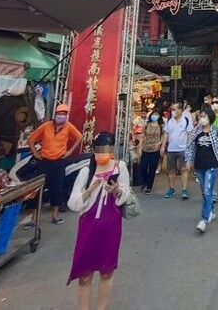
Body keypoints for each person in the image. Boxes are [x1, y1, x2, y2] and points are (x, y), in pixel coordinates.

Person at [67, 132, 131, 310]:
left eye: (106, 150)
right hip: (88, 227)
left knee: (106, 271)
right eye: (99, 150)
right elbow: (73, 202)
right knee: (84, 275)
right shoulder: (86, 171)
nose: (102, 154)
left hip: (111, 226)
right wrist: (89, 190)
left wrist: (116, 190)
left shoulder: (120, 168)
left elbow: (126, 195)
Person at [27, 103, 82, 226]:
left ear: (66, 116)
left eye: (63, 114)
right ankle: (34, 218)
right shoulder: (46, 126)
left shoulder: (68, 127)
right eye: (59, 114)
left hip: (59, 162)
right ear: (55, 114)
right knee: (38, 189)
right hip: (44, 161)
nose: (61, 116)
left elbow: (79, 137)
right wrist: (35, 153)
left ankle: (55, 216)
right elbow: (31, 139)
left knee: (57, 188)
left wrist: (69, 151)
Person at [185, 106, 218, 233]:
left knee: (208, 191)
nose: (202, 119)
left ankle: (203, 219)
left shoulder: (216, 131)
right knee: (204, 191)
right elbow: (191, 146)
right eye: (201, 116)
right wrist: (189, 161)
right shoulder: (196, 131)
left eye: (205, 116)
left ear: (210, 118)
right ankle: (211, 211)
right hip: (199, 165)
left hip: (212, 165)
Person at [162, 102, 193, 200]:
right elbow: (166, 134)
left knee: (184, 169)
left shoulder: (186, 121)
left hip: (183, 149)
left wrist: (189, 148)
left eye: (175, 109)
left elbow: (189, 134)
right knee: (171, 170)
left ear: (180, 110)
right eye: (172, 109)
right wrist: (163, 146)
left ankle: (184, 189)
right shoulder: (170, 121)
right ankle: (171, 188)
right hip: (171, 149)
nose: (173, 111)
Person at [139, 109, 163, 194]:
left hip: (155, 149)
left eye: (156, 114)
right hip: (145, 148)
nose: (154, 116)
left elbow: (163, 136)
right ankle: (145, 182)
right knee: (143, 167)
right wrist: (140, 146)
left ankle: (149, 186)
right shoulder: (146, 125)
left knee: (152, 168)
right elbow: (142, 136)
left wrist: (161, 144)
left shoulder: (161, 126)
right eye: (153, 114)